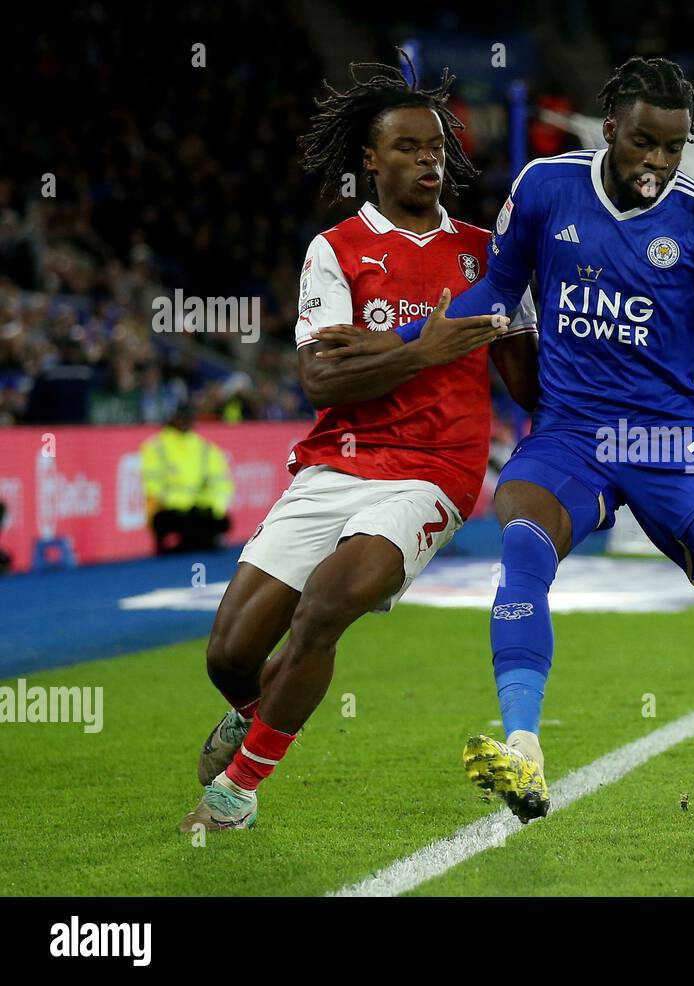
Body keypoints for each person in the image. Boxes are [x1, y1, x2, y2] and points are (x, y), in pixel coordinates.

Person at [324, 58, 694, 824]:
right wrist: (398, 339)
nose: (658, 163)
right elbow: (496, 296)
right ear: (610, 128)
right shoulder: (545, 189)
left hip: (673, 441)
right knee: (521, 537)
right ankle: (525, 750)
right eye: (644, 142)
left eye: (674, 148)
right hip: (571, 433)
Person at [180, 56, 538, 832]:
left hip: (434, 472)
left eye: (437, 148)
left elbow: (527, 383)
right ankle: (265, 710)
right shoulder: (335, 249)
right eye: (408, 148)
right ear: (370, 161)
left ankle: (236, 792)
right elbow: (322, 379)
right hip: (337, 459)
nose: (428, 160)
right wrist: (423, 352)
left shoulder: (487, 255)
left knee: (325, 608)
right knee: (229, 656)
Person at [139, 404, 233, 553]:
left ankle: (194, 541)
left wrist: (211, 506)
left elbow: (220, 484)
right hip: (169, 510)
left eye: (189, 417)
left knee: (222, 521)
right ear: (173, 418)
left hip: (199, 509)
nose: (185, 421)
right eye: (182, 417)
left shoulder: (205, 448)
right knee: (180, 522)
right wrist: (184, 503)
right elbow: (152, 486)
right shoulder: (156, 447)